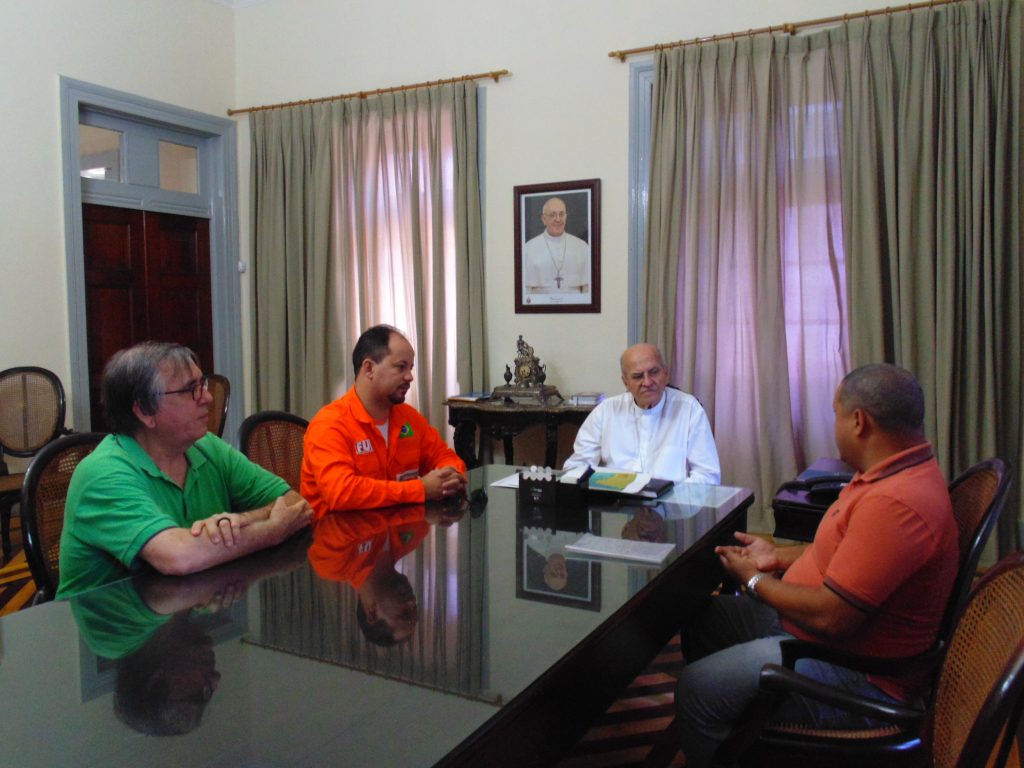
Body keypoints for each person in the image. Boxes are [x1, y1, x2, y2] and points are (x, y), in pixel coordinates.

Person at [674, 363, 959, 767]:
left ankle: (727, 726)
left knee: (694, 691)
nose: (834, 424)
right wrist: (777, 557)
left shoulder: (895, 504)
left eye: (836, 414)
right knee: (703, 619)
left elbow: (831, 618)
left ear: (859, 422)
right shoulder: (888, 472)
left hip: (855, 673)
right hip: (819, 636)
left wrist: (753, 580)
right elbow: (844, 552)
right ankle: (741, 732)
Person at [57, 342, 314, 599]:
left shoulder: (206, 446)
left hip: (186, 608)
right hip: (107, 621)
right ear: (145, 411)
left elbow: (295, 504)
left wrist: (240, 520)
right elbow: (179, 557)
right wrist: (272, 530)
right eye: (191, 389)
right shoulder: (102, 473)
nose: (209, 398)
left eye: (203, 384)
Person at [301, 324, 467, 517]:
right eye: (401, 367)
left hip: (397, 529)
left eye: (411, 368)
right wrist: (420, 489)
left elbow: (443, 456)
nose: (410, 377)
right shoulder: (330, 424)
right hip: (340, 532)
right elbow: (342, 493)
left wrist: (451, 477)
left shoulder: (409, 417)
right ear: (369, 368)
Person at [562, 343, 720, 484]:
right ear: (625, 382)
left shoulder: (689, 409)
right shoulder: (605, 411)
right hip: (616, 501)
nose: (647, 382)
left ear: (666, 374)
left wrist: (669, 494)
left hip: (672, 503)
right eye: (638, 376)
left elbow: (708, 476)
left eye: (654, 372)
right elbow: (576, 467)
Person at [522, 197, 591, 299]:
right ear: (543, 219)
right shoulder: (528, 249)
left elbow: (588, 290)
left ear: (566, 217)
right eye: (552, 215)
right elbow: (525, 294)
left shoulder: (582, 246)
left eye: (561, 214)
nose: (558, 219)